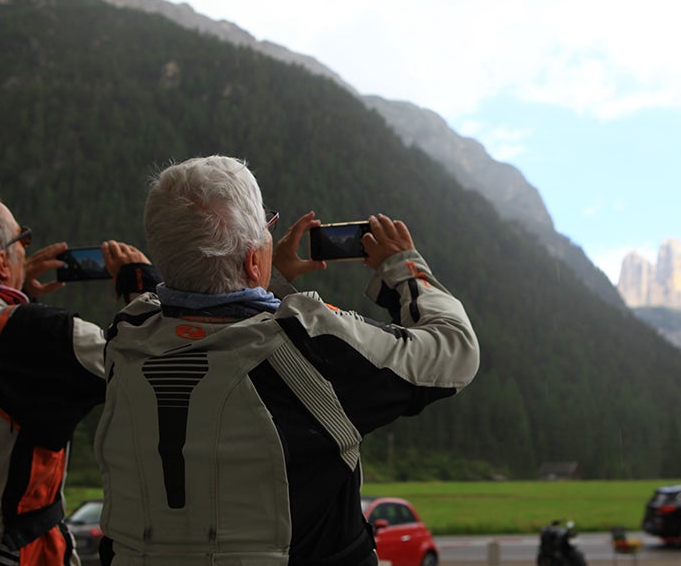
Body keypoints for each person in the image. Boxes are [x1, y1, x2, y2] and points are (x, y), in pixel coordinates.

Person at [96, 155, 480, 565]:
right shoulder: (314, 346)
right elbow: (455, 348)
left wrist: (266, 276)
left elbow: (197, 315)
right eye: (267, 227)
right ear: (252, 260)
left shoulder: (125, 339)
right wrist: (404, 267)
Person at [0, 188, 160, 566]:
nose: (26, 250)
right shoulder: (46, 337)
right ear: (1, 261)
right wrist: (141, 290)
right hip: (11, 552)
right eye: (22, 240)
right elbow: (148, 364)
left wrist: (14, 297)